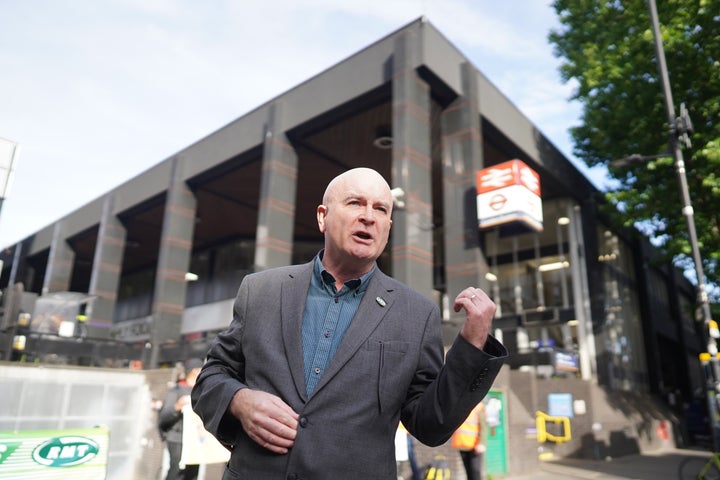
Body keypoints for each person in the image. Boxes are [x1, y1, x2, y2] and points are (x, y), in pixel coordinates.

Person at [191, 167, 508, 480]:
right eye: (355, 203)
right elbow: (212, 376)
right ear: (322, 217)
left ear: (387, 226)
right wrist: (238, 400)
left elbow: (431, 424)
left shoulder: (417, 313)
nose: (369, 216)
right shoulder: (261, 291)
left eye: (380, 209)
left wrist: (472, 346)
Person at [158, 358, 203, 480]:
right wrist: (178, 406)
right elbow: (164, 416)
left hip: (195, 439)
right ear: (195, 371)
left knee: (193, 472)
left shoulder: (201, 391)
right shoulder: (177, 390)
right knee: (177, 470)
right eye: (201, 369)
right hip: (177, 439)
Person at [451, 401, 488, 480]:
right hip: (462, 444)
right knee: (468, 473)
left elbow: (483, 425)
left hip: (475, 446)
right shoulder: (458, 405)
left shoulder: (478, 406)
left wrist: (482, 443)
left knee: (475, 472)